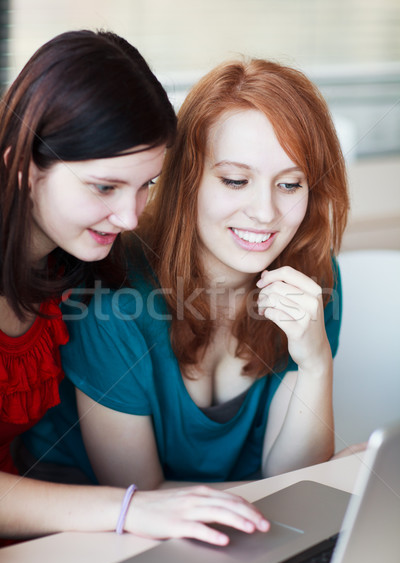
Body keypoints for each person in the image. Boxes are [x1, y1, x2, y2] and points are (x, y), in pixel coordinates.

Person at [23, 58, 349, 491]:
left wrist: (315, 362)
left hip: (231, 528)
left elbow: (293, 483)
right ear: (186, 180)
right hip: (96, 533)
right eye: (235, 180)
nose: (266, 213)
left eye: (290, 185)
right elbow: (139, 499)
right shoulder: (113, 287)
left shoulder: (311, 276)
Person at [0, 31, 269, 545]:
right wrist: (131, 508)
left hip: (44, 536)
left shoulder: (73, 266)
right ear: (25, 166)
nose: (129, 217)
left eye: (148, 184)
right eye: (104, 187)